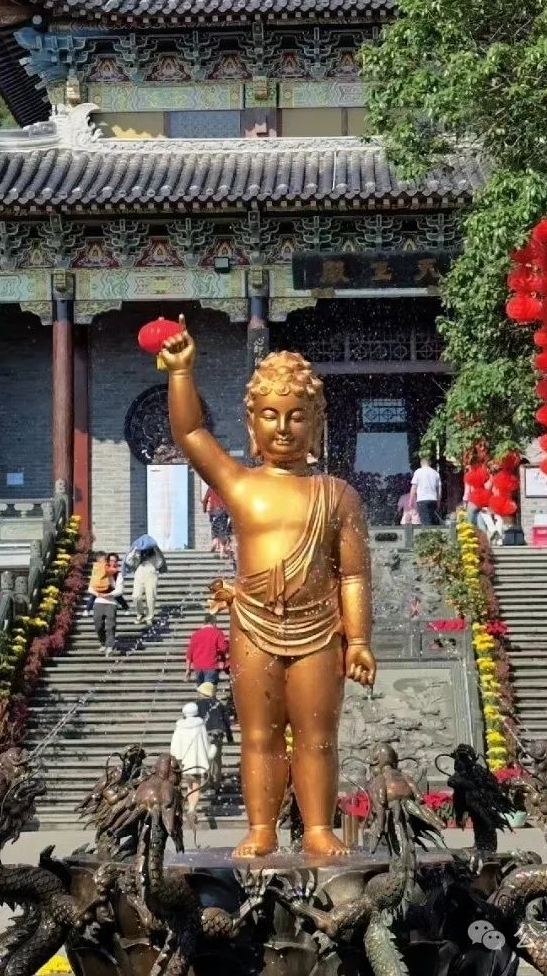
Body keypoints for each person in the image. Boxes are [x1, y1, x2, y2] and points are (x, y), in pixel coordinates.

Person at [163, 319, 375, 859]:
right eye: (270, 416)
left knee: (316, 736)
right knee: (258, 735)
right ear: (252, 425)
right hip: (254, 622)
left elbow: (353, 575)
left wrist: (360, 641)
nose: (283, 428)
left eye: (297, 416)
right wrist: (183, 372)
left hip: (320, 629)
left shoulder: (338, 495)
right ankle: (261, 827)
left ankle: (317, 829)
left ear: (318, 424)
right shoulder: (239, 484)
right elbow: (190, 435)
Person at [169, 701, 212, 825]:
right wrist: (211, 751)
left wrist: (177, 758)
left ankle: (189, 806)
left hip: (185, 762)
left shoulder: (180, 726)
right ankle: (192, 809)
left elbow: (175, 746)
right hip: (197, 761)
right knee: (196, 784)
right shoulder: (200, 726)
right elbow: (205, 744)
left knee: (189, 783)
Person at [196, 681, 234, 792]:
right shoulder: (219, 705)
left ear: (203, 693)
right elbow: (226, 721)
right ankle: (216, 782)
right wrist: (230, 737)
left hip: (203, 735)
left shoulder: (197, 705)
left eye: (199, 692)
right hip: (217, 735)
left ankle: (206, 781)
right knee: (216, 759)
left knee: (203, 757)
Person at [125, 534, 166, 626]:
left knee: (151, 596)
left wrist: (156, 551)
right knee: (136, 596)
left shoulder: (155, 550)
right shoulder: (137, 550)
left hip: (151, 570)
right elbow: (128, 561)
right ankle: (140, 614)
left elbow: (160, 564)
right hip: (140, 569)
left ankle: (149, 617)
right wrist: (135, 549)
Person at [92, 553, 125, 656]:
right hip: (98, 602)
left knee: (111, 626)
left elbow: (120, 590)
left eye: (115, 561)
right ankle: (103, 643)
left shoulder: (118, 574)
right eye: (111, 560)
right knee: (98, 626)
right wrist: (97, 593)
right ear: (107, 561)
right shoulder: (98, 571)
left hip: (111, 603)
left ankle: (110, 647)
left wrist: (109, 594)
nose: (113, 563)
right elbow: (91, 587)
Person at [185, 613, 229, 685]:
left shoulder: (195, 634)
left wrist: (188, 669)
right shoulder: (217, 633)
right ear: (214, 623)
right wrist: (227, 645)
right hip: (211, 665)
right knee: (209, 690)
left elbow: (189, 653)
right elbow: (223, 648)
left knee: (201, 689)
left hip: (198, 667)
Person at [409, 456, 442, 526]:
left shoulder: (418, 472)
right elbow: (439, 490)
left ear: (421, 463)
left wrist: (411, 500)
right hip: (433, 499)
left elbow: (414, 487)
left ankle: (428, 535)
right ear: (429, 463)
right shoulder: (436, 473)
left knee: (425, 521)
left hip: (422, 499)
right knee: (432, 519)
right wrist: (438, 501)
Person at [202, 485, 232, 558]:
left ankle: (214, 542)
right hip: (223, 512)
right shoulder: (224, 488)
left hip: (214, 512)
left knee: (215, 528)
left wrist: (204, 509)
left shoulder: (210, 488)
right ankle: (221, 552)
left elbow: (205, 500)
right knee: (222, 531)